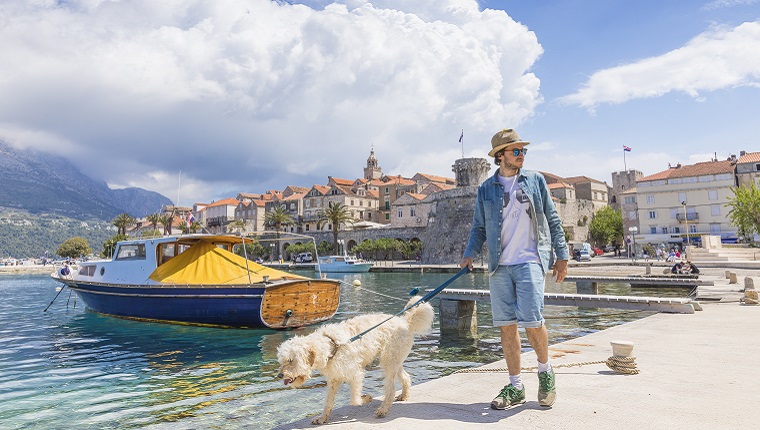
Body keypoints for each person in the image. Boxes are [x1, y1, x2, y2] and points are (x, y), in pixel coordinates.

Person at [460, 128, 569, 410]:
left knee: (533, 321)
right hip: (499, 266)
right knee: (507, 327)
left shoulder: (535, 181)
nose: (521, 155)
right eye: (516, 151)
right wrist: (470, 253)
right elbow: (479, 228)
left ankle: (546, 374)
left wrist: (562, 256)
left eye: (523, 151)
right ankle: (516, 386)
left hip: (531, 260)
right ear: (500, 156)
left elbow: (553, 219)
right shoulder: (486, 189)